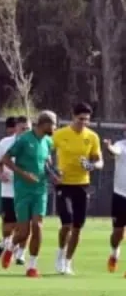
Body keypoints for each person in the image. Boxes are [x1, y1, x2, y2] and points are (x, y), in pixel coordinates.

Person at [0, 111, 58, 276]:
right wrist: (23, 174)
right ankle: (11, 246)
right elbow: (6, 159)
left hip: (40, 190)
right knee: (24, 232)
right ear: (44, 124)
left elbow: (46, 163)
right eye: (53, 124)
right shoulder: (24, 140)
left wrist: (53, 175)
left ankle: (32, 266)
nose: (55, 127)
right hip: (23, 191)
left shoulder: (48, 141)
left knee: (38, 226)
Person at [52, 102, 103, 275]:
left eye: (87, 120)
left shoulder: (92, 137)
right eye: (81, 119)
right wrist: (53, 170)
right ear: (73, 116)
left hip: (82, 184)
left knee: (77, 226)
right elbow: (45, 154)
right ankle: (59, 254)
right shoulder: (59, 134)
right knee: (66, 223)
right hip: (63, 184)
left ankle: (68, 262)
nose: (84, 123)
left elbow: (99, 161)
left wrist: (91, 165)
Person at [0, 116, 30, 263]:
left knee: (26, 223)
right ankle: (5, 241)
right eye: (22, 128)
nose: (25, 131)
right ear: (16, 128)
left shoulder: (35, 143)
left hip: (27, 190)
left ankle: (21, 254)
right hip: (8, 190)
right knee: (9, 227)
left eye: (27, 129)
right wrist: (0, 174)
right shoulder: (6, 143)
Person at [103, 136, 126, 274]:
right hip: (120, 195)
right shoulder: (121, 145)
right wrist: (108, 147)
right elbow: (114, 151)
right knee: (118, 233)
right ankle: (114, 254)